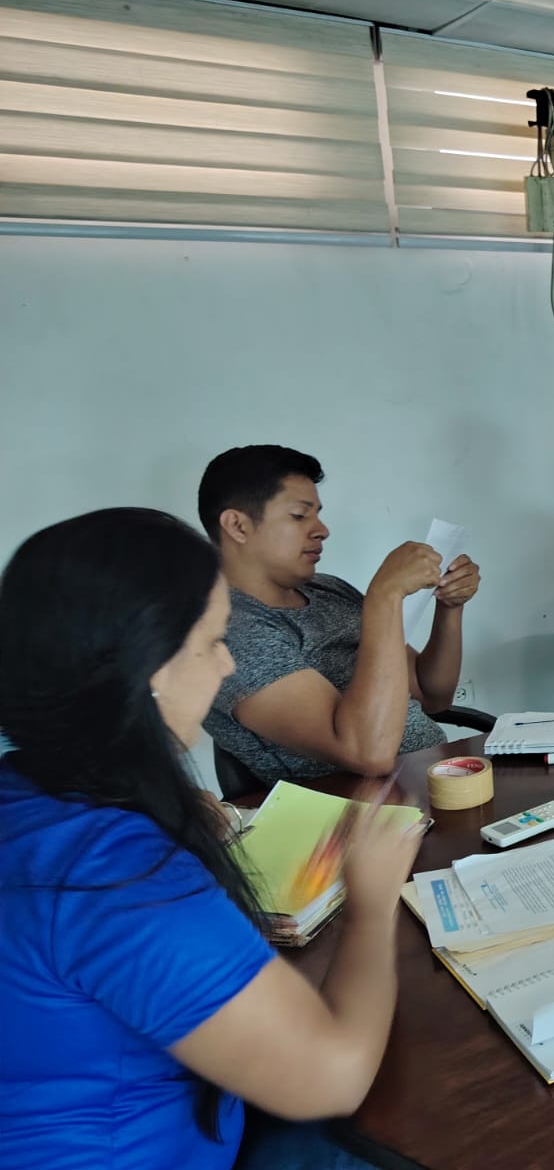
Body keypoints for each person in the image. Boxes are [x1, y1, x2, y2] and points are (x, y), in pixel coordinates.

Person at [0, 508, 424, 1170]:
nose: (227, 664)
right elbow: (333, 1078)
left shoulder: (25, 792)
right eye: (211, 642)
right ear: (150, 669)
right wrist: (371, 904)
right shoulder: (115, 876)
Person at [198, 446, 480, 785]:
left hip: (434, 779)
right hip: (359, 809)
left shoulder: (328, 590)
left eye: (317, 515)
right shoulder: (228, 631)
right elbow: (368, 753)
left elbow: (431, 695)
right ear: (238, 526)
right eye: (299, 516)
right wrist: (385, 595)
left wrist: (449, 608)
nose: (322, 530)